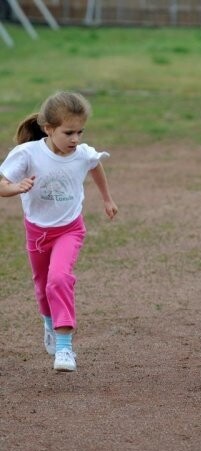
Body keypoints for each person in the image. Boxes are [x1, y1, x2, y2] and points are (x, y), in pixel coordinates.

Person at [0, 91, 118, 372]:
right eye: (69, 133)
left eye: (80, 132)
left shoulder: (82, 154)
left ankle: (65, 348)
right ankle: (49, 323)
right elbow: (3, 184)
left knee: (59, 279)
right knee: (42, 289)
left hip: (70, 230)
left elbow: (95, 165)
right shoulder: (27, 154)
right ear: (49, 129)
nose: (76, 139)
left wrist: (106, 198)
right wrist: (16, 188)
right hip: (37, 233)